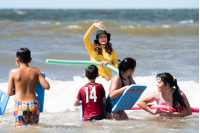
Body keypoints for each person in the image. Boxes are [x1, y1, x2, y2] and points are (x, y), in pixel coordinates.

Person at [7, 48, 50, 127]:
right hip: (33, 105)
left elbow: (9, 93)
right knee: (33, 129)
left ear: (17, 60)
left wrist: (19, 89)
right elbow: (47, 86)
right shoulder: (36, 71)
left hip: (20, 106)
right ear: (30, 60)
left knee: (19, 130)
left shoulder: (13, 72)